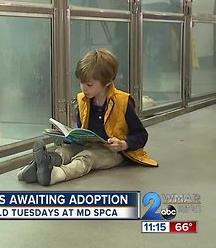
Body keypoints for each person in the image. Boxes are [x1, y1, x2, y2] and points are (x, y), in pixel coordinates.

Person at [17, 49, 158, 186]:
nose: (84, 88)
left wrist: (124, 144)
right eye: (81, 83)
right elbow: (83, 130)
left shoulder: (123, 101)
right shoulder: (83, 100)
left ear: (107, 82)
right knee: (64, 151)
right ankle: (37, 168)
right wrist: (70, 136)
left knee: (87, 157)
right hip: (88, 143)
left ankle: (57, 174)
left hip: (115, 152)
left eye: (89, 84)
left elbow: (141, 134)